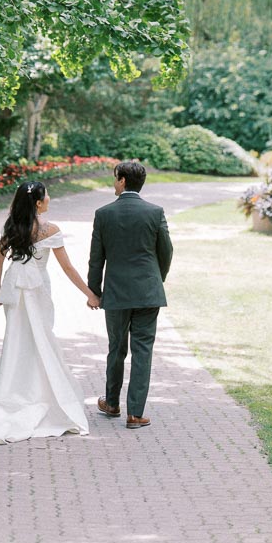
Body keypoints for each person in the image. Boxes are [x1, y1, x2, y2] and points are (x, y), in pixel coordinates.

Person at [0, 179, 101, 443]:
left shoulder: (12, 226)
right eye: (47, 196)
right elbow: (68, 268)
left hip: (14, 288)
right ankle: (39, 395)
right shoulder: (50, 230)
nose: (49, 199)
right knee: (40, 339)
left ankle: (13, 393)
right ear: (38, 203)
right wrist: (90, 294)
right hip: (36, 289)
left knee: (16, 340)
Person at [87, 158, 173, 429]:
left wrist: (94, 292)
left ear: (123, 181)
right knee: (143, 351)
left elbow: (96, 259)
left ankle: (112, 403)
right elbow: (167, 251)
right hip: (148, 292)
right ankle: (135, 413)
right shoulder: (155, 212)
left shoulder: (103, 214)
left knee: (116, 348)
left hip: (116, 293)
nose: (113, 183)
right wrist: (157, 279)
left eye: (115, 178)